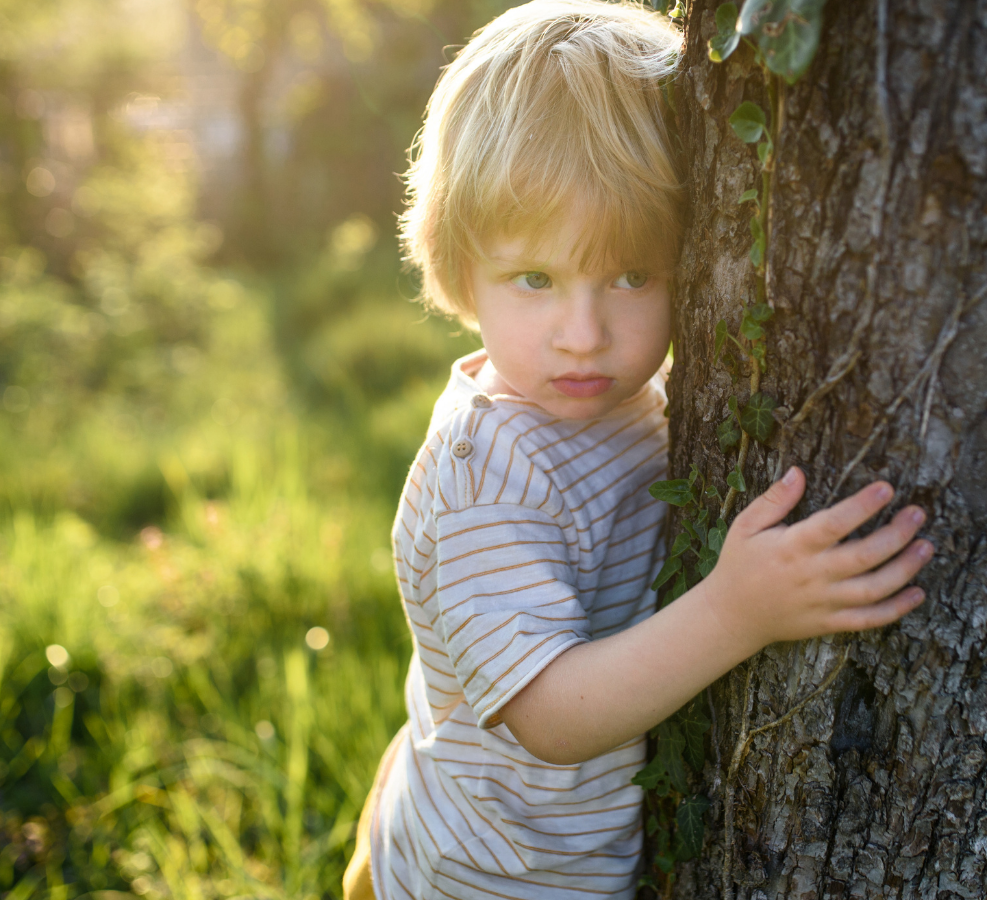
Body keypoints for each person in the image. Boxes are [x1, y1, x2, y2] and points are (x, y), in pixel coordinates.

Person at [342, 2, 935, 897]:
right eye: (534, 279)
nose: (584, 334)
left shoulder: (626, 401)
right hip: (501, 876)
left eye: (631, 275)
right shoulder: (488, 475)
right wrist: (738, 611)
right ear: (464, 271)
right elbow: (550, 715)